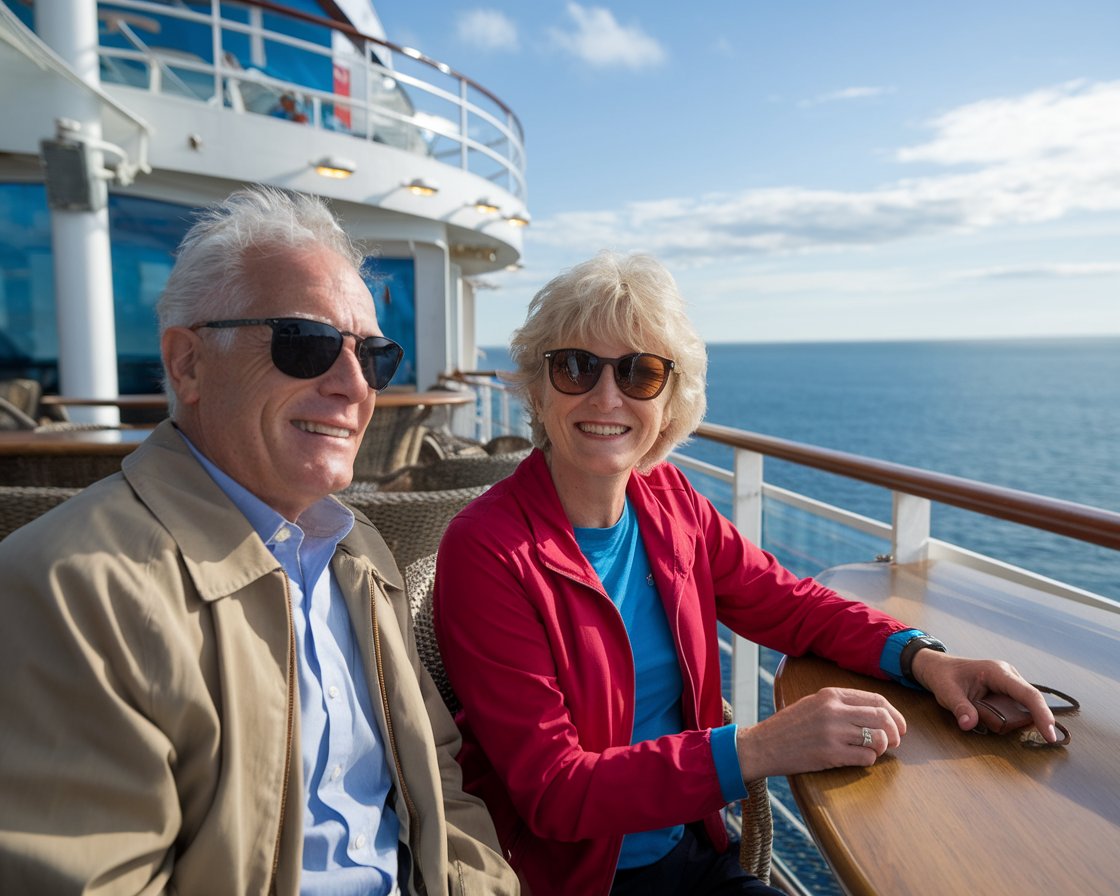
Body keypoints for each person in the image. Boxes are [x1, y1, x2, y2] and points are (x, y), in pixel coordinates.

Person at [432, 251, 1059, 896]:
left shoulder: (668, 502)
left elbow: (790, 605)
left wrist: (925, 659)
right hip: (569, 880)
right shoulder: (488, 550)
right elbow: (555, 791)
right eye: (576, 367)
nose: (606, 396)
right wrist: (759, 749)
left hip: (692, 851)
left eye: (641, 372)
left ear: (671, 400)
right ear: (537, 387)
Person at [0, 186, 517, 896]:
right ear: (187, 365)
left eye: (374, 356)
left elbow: (439, 782)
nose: (351, 385)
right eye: (304, 344)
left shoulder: (357, 551)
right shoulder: (68, 588)